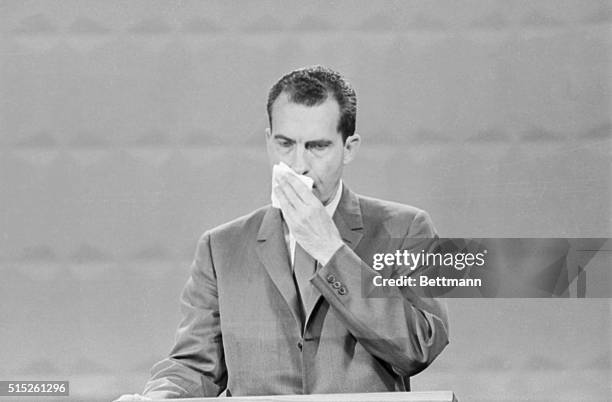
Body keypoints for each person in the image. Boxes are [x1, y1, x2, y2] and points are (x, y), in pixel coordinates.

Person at [115, 65, 449, 401]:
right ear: (268, 141)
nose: (298, 165)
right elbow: (195, 366)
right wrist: (155, 398)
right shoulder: (221, 247)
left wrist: (332, 252)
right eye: (285, 144)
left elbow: (419, 347)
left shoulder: (406, 229)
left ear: (349, 148)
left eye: (317, 146)